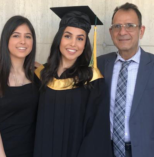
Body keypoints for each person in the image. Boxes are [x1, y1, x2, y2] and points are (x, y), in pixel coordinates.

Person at [97, 3, 154, 157]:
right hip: (105, 150)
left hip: (145, 151)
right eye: (117, 26)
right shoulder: (100, 64)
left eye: (130, 25)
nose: (122, 32)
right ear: (111, 31)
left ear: (141, 31)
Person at [33, 6, 112, 157]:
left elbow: (96, 132)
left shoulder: (93, 81)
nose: (73, 44)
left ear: (85, 44)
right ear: (59, 38)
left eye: (80, 38)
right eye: (68, 36)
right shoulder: (41, 76)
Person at [0, 15, 39, 157]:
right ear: (6, 39)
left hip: (33, 151)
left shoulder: (38, 72)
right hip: (3, 152)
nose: (23, 41)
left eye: (28, 36)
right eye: (16, 36)